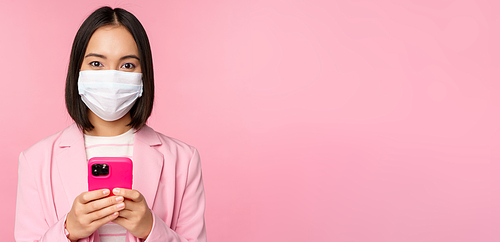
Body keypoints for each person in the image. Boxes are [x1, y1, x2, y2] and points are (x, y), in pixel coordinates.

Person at [14, 6, 207, 242]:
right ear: (77, 71)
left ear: (144, 75)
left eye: (127, 65)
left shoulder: (184, 160)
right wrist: (68, 231)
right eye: (96, 64)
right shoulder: (35, 161)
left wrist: (151, 229)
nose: (112, 77)